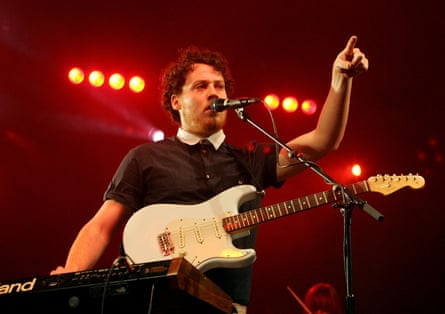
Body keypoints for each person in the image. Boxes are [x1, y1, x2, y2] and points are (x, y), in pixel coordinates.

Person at [51, 35, 368, 313]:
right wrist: (69, 276)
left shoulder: (250, 160)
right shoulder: (145, 158)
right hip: (156, 304)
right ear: (176, 101)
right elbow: (101, 226)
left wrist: (341, 81)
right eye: (201, 86)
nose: (214, 93)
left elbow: (322, 142)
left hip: (225, 307)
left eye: (219, 86)